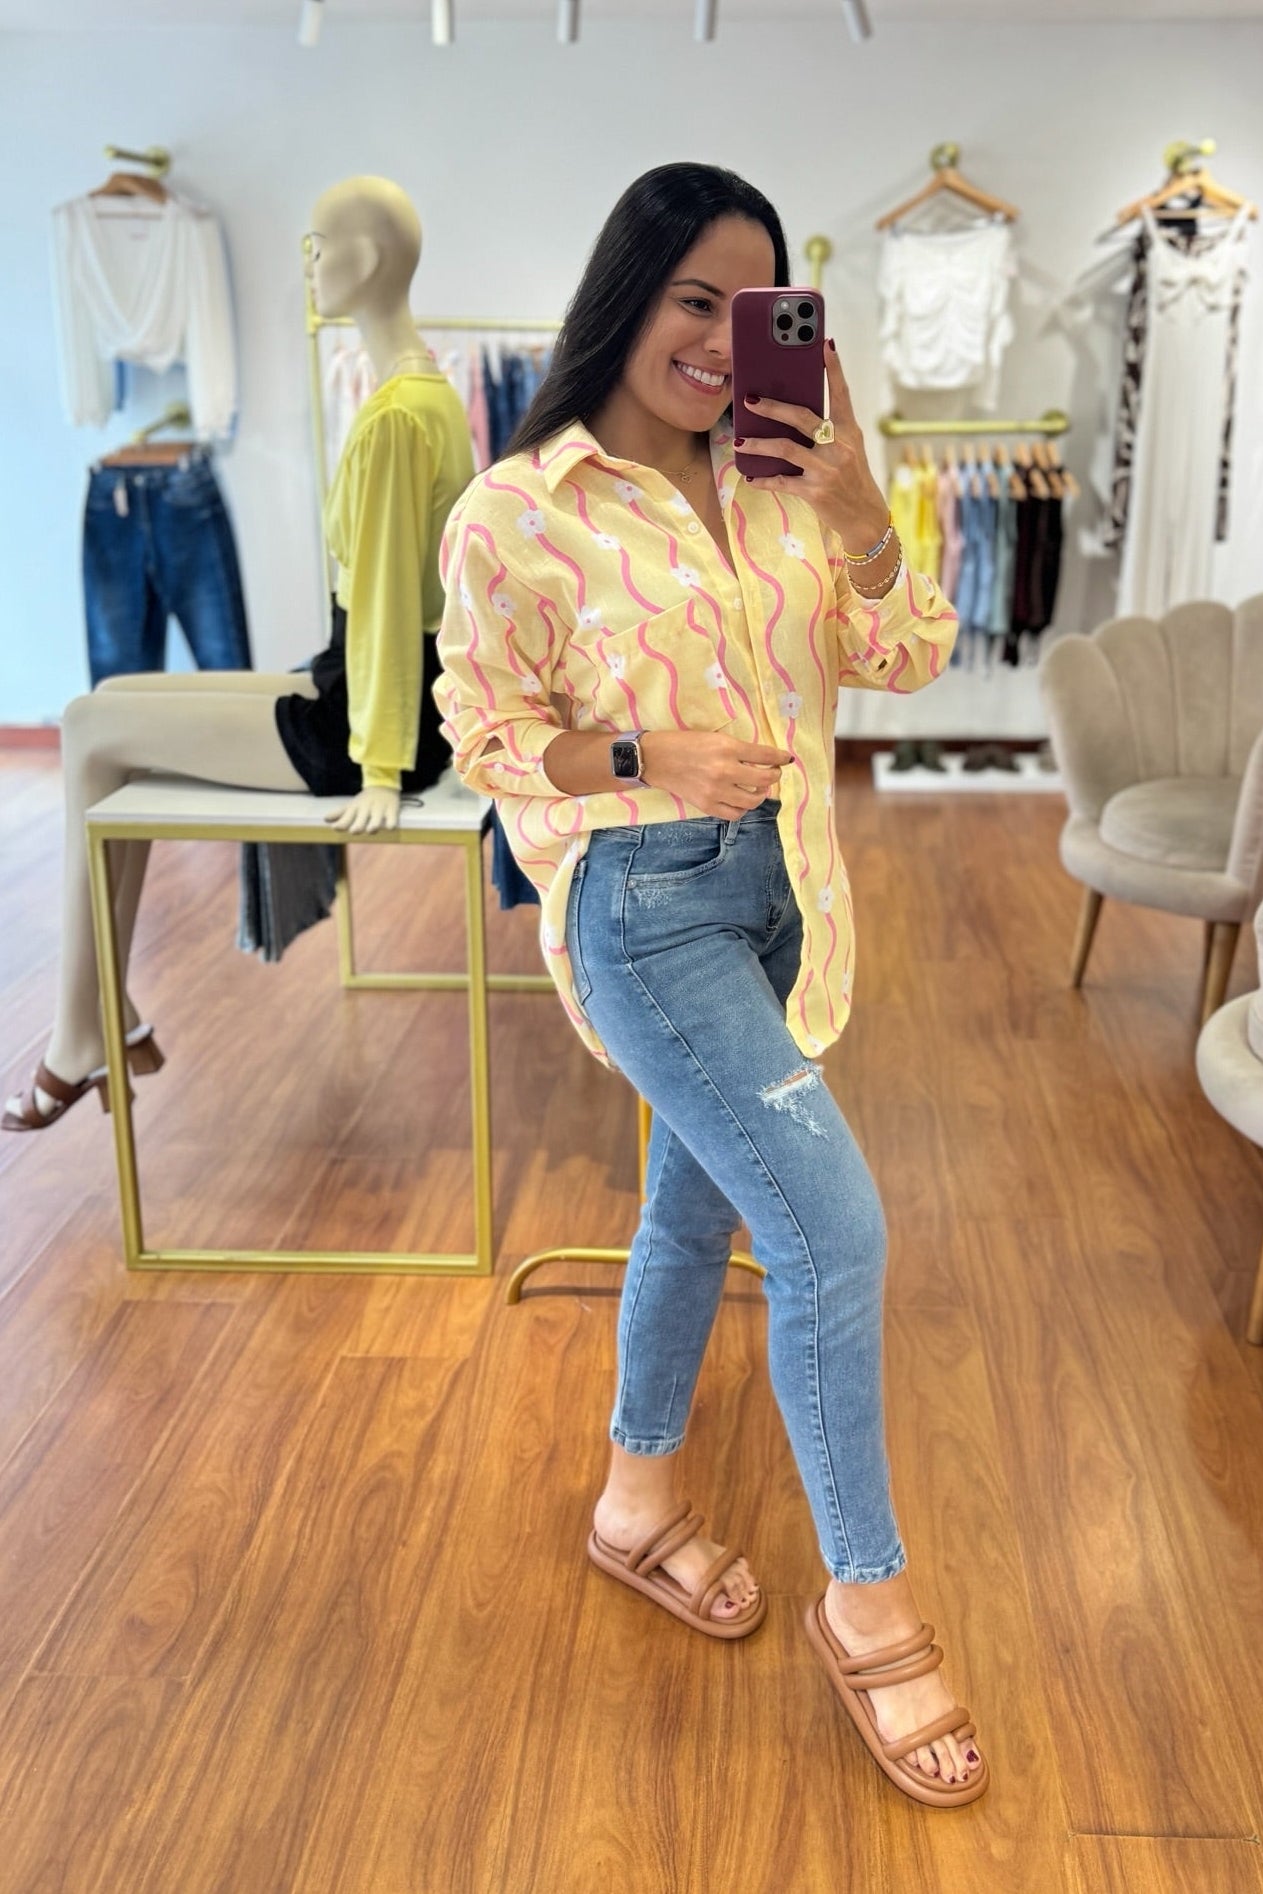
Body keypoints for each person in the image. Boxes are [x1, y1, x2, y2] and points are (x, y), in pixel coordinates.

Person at [436, 162, 985, 1807]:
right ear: (628, 295)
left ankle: (634, 1501)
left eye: (752, 311)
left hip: (787, 899)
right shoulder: (518, 509)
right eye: (694, 299)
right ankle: (869, 1599)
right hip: (647, 905)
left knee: (691, 1213)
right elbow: (484, 737)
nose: (717, 340)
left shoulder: (786, 486)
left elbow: (910, 655)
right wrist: (640, 753)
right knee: (830, 1228)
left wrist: (863, 508)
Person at [5, 177, 473, 1134]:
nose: (308, 262)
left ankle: (80, 1033)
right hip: (361, 680)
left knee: (89, 725)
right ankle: (100, 1012)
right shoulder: (420, 391)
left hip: (366, 717)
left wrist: (380, 770)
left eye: (318, 244)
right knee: (115, 696)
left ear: (365, 258)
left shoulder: (396, 416)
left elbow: (390, 601)